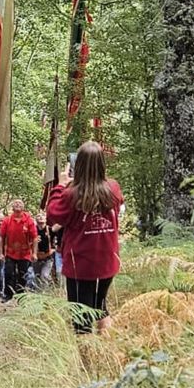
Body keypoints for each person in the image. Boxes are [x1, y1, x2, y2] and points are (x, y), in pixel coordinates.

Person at [45, 141, 124, 333]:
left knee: (81, 318)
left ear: (77, 166)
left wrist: (60, 186)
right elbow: (117, 200)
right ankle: (108, 352)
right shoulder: (112, 188)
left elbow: (52, 215)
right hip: (107, 261)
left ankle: (87, 359)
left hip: (81, 264)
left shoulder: (70, 195)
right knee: (100, 307)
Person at [0, 195, 39, 298]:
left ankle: (21, 295)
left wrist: (34, 253)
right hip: (10, 252)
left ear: (23, 207)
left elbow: (34, 237)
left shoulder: (29, 220)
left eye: (20, 203)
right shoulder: (7, 220)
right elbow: (1, 237)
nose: (17, 204)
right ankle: (8, 294)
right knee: (8, 273)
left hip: (24, 253)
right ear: (12, 207)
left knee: (23, 275)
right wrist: (1, 253)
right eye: (15, 203)